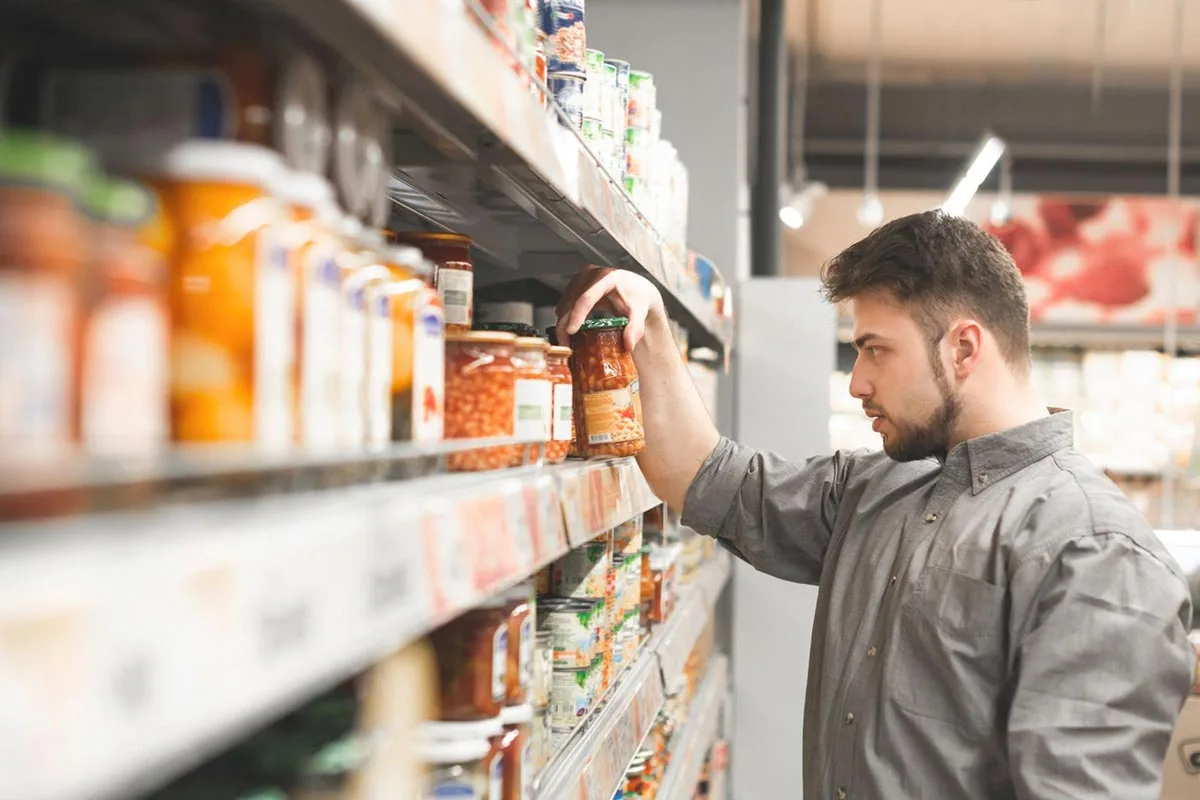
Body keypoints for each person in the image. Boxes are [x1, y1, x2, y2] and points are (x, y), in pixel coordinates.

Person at [556, 210, 1196, 800]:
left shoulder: (1094, 551)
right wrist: (649, 327)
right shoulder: (879, 488)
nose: (858, 382)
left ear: (964, 349)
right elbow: (705, 477)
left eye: (875, 349)